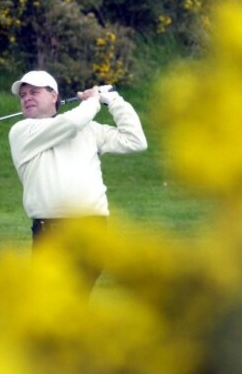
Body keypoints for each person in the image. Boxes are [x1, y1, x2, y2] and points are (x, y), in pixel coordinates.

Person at [8, 70, 147, 292]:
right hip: (50, 232)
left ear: (54, 96)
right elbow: (70, 124)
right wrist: (93, 100)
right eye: (23, 95)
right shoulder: (22, 131)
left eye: (34, 92)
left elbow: (135, 140)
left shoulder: (88, 129)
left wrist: (113, 100)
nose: (27, 98)